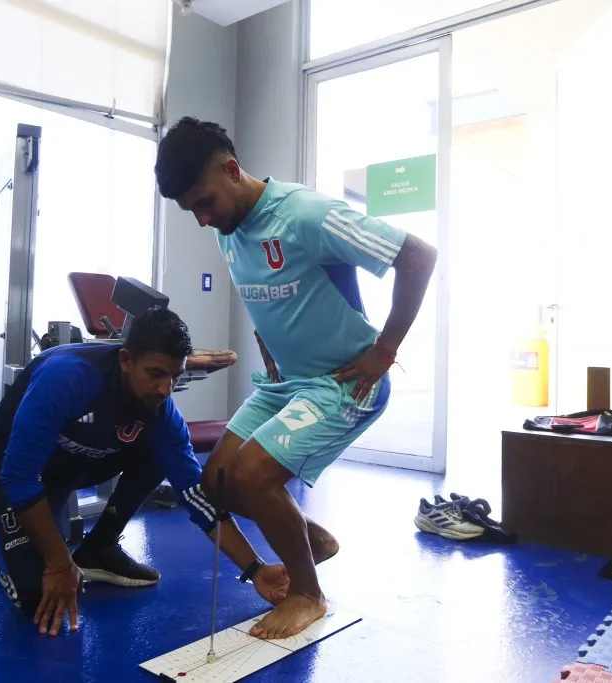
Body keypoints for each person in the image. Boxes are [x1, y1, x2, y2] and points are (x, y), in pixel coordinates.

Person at [154, 117, 438, 639]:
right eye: (190, 209)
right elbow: (266, 300)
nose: (201, 219)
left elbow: (418, 256)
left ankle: (308, 596)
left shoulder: (308, 214)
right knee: (218, 482)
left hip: (346, 382)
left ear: (232, 170)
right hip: (287, 383)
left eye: (204, 202)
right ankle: (315, 542)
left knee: (256, 477)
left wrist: (385, 350)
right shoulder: (230, 232)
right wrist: (271, 359)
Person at [0, 306, 289, 637]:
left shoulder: (161, 412)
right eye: (155, 374)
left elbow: (196, 495)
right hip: (1, 474)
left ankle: (99, 548)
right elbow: (17, 477)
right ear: (126, 361)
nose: (166, 389)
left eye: (174, 376)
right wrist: (60, 562)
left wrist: (256, 569)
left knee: (157, 452)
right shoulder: (68, 378)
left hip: (66, 469)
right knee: (35, 595)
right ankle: (1, 534)